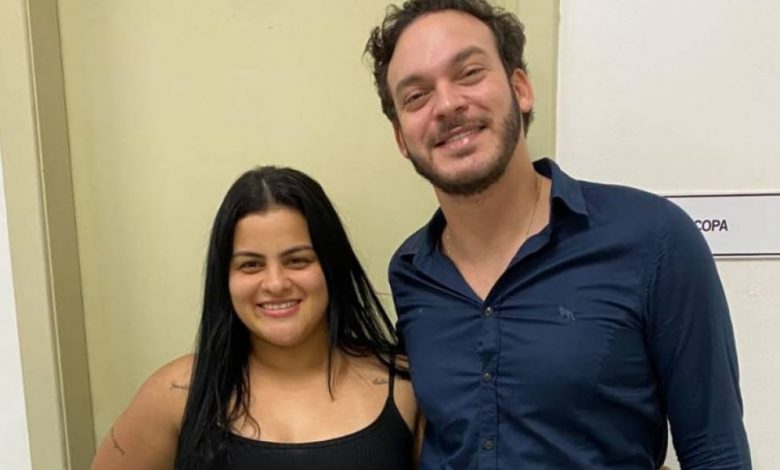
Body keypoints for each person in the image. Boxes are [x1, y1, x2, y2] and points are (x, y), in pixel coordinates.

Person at [364, 0, 751, 469]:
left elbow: (716, 451)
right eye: (416, 96)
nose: (447, 105)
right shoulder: (411, 272)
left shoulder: (654, 240)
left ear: (520, 88)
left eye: (469, 73)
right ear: (401, 138)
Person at [91, 166, 418, 470]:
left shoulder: (406, 387)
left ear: (331, 265)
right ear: (225, 279)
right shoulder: (176, 394)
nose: (275, 284)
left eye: (297, 260)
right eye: (250, 265)